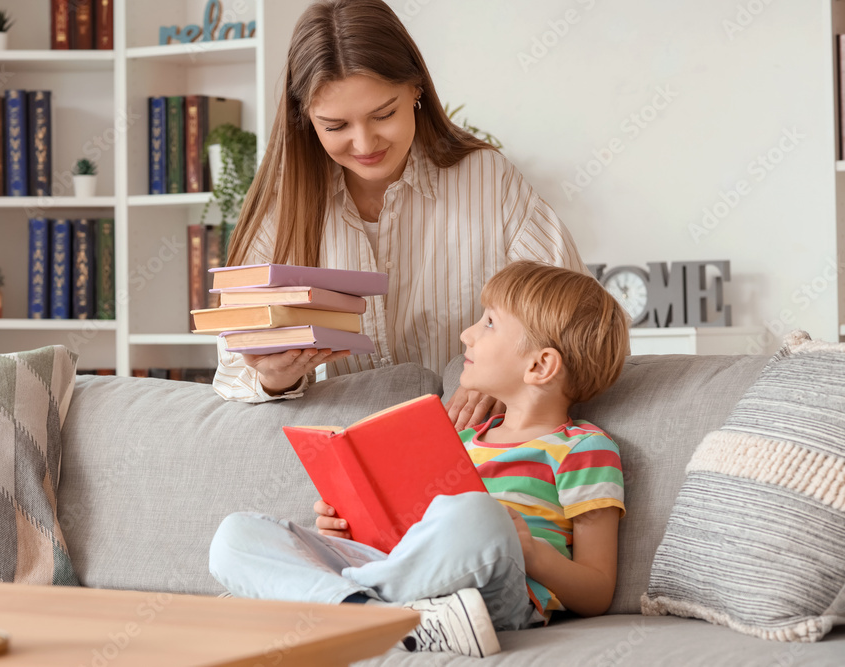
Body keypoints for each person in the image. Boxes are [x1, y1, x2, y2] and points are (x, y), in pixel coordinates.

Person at [209, 261, 630, 658]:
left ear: (540, 365)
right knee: (235, 535)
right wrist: (353, 527)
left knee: (477, 513)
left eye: (488, 323)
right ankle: (373, 616)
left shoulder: (584, 449)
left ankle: (314, 600)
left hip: (500, 593)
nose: (467, 334)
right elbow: (410, 540)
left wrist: (532, 551)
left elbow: (597, 591)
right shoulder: (458, 439)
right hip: (408, 578)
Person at [212, 0, 586, 429]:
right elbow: (232, 371)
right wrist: (273, 378)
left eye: (383, 114)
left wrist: (507, 373)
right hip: (346, 446)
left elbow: (578, 319)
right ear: (306, 119)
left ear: (416, 88)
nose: (364, 143)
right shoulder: (284, 207)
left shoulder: (487, 178)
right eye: (335, 126)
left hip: (473, 445)